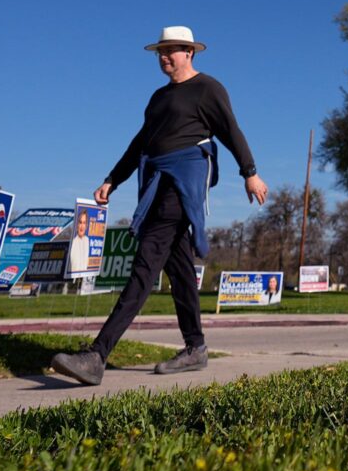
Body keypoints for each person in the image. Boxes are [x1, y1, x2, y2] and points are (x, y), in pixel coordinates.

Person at [52, 26, 268, 384]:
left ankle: (97, 355)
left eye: (173, 50)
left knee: (145, 264)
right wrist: (112, 179)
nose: (165, 57)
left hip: (181, 184)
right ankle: (195, 348)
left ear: (190, 52)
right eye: (160, 52)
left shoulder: (207, 89)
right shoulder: (157, 98)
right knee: (179, 269)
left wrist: (250, 172)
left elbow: (231, 130)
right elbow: (140, 143)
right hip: (154, 181)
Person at [67, 209, 91, 274]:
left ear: (86, 225)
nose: (82, 226)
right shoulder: (73, 242)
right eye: (80, 222)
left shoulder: (87, 240)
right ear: (76, 224)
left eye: (84, 223)